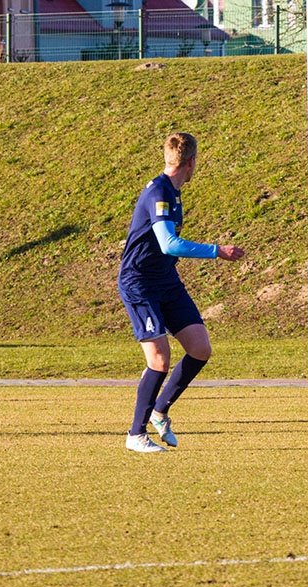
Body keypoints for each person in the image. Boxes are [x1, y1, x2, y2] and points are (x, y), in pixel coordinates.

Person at [118, 132, 245, 453]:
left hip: (165, 280)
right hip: (140, 283)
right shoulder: (159, 192)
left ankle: (160, 411)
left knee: (200, 348)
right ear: (191, 162)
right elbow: (168, 243)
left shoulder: (173, 192)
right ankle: (136, 434)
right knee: (160, 359)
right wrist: (218, 251)